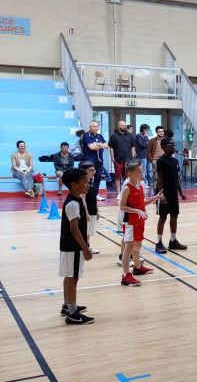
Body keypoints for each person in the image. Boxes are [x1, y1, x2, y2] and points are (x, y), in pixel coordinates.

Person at [59, 168, 94, 325]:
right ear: (74, 185)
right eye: (85, 182)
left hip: (69, 246)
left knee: (70, 276)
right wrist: (85, 248)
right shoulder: (72, 204)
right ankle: (72, 314)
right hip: (73, 246)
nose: (88, 185)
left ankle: (67, 306)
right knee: (73, 278)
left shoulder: (76, 199)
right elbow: (74, 230)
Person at [119, 160, 162, 287]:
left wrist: (153, 198)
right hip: (130, 221)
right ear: (129, 174)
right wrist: (136, 210)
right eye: (138, 172)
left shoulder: (140, 186)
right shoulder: (127, 188)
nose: (141, 174)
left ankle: (137, 267)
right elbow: (122, 207)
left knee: (138, 244)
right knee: (128, 248)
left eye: (141, 171)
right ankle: (126, 275)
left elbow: (141, 202)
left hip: (139, 220)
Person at [154, 137, 187, 254]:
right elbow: (160, 179)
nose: (173, 147)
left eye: (174, 145)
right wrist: (161, 193)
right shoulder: (161, 161)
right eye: (170, 146)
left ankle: (173, 241)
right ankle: (158, 242)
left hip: (173, 193)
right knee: (162, 217)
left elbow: (177, 178)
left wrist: (181, 192)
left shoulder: (175, 161)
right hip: (164, 193)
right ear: (163, 147)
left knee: (174, 216)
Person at [81, 121, 110, 200]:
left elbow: (107, 145)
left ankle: (96, 194)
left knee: (98, 177)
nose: (96, 128)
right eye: (94, 126)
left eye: (97, 126)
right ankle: (86, 194)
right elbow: (91, 147)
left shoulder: (100, 136)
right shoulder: (86, 136)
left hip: (99, 161)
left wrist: (97, 144)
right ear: (89, 127)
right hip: (89, 161)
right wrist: (100, 145)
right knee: (88, 178)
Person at [109, 120, 136, 195]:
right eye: (122, 125)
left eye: (125, 125)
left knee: (127, 177)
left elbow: (133, 147)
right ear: (119, 126)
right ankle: (118, 194)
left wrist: (133, 156)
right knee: (117, 177)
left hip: (128, 160)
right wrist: (112, 158)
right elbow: (111, 147)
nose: (124, 127)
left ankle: (127, 192)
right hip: (118, 160)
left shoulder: (130, 136)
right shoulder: (114, 136)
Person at [78, 161, 100, 242]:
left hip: (92, 211)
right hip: (87, 212)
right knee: (84, 232)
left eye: (93, 170)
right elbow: (82, 198)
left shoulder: (91, 182)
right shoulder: (83, 183)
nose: (93, 172)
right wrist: (86, 213)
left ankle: (87, 247)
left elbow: (94, 198)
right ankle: (84, 248)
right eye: (90, 170)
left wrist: (97, 210)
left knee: (89, 232)